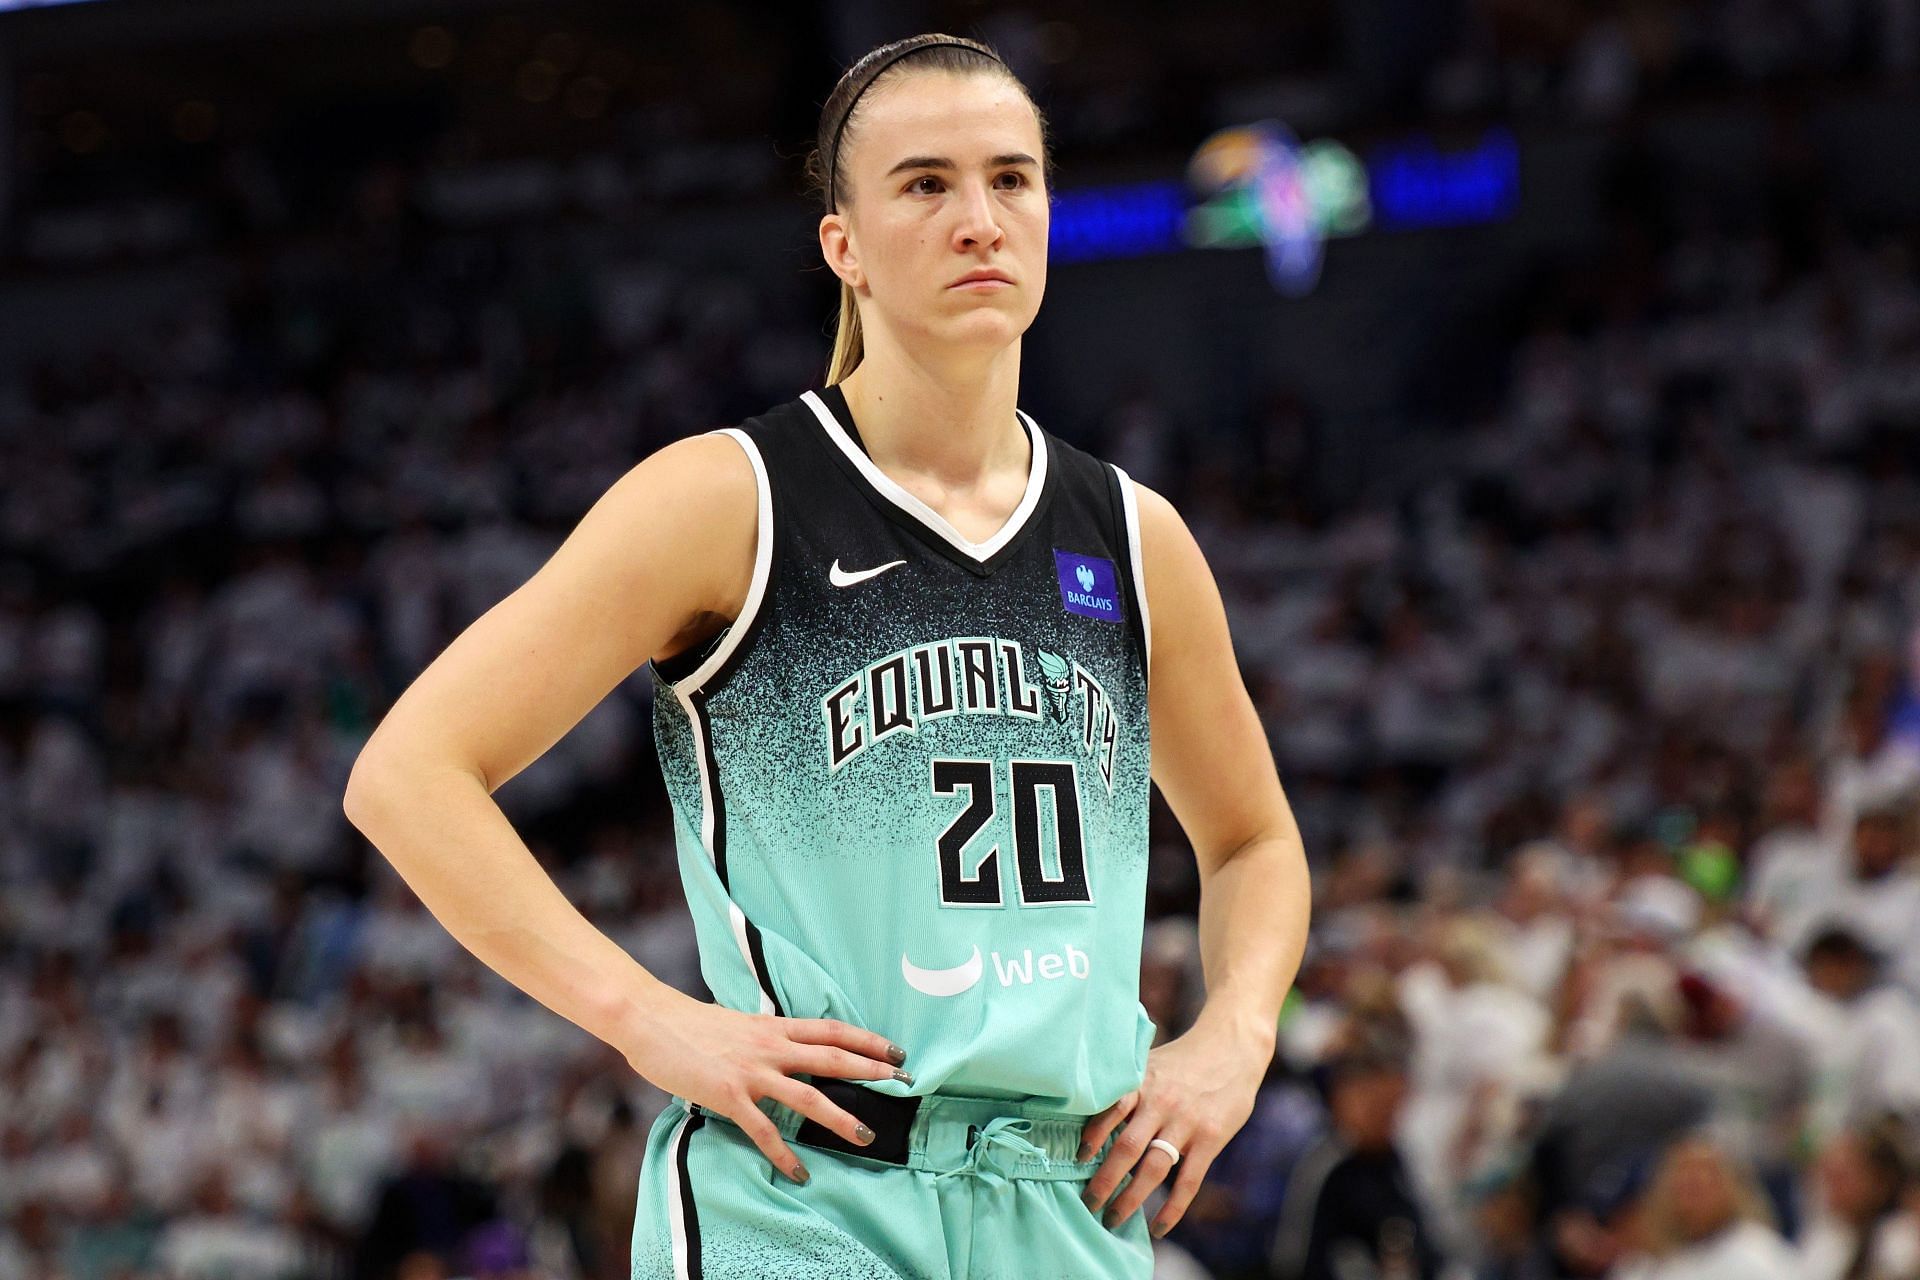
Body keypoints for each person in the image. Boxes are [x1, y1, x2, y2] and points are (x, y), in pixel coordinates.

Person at [342, 30, 1312, 1280]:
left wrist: (1234, 1035)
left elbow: (1255, 841)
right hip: (810, 1201)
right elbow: (409, 772)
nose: (980, 219)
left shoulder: (1134, 535)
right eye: (926, 183)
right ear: (841, 246)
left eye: (1012, 179)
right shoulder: (727, 499)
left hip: (1073, 1200)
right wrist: (649, 1020)